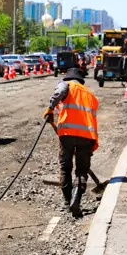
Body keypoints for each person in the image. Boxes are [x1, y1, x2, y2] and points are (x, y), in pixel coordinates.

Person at [44, 67, 99, 218]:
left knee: (65, 167)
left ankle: (68, 201)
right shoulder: (90, 95)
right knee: (81, 170)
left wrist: (50, 108)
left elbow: (59, 92)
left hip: (68, 134)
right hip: (87, 136)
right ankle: (77, 198)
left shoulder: (66, 85)